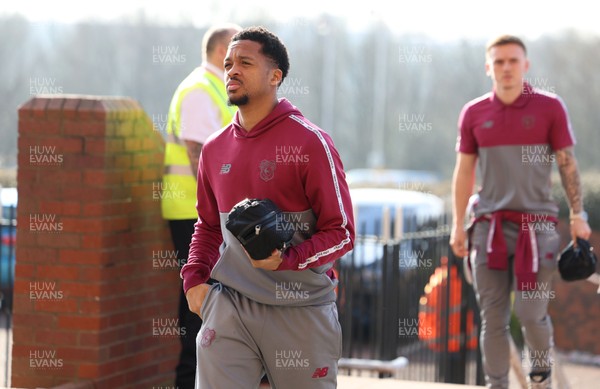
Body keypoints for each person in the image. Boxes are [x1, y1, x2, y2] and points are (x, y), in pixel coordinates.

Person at [181, 26, 355, 389]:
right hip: (230, 306)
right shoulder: (214, 149)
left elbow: (342, 233)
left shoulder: (310, 142)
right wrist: (195, 281)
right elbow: (208, 225)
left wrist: (287, 259)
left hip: (300, 308)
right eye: (228, 63)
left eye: (245, 62)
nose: (232, 70)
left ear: (275, 76)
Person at [450, 35, 591, 389]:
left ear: (526, 65)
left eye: (513, 61)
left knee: (531, 313)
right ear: (488, 67)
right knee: (492, 318)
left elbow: (567, 164)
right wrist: (457, 226)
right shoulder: (474, 112)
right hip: (488, 228)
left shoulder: (550, 107)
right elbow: (464, 172)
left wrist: (578, 214)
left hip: (538, 226)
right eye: (498, 62)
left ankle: (540, 376)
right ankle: (497, 384)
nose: (506, 68)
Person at [160, 23, 241, 389]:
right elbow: (199, 155)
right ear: (222, 49)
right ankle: (187, 382)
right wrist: (224, 212)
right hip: (193, 213)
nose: (239, 63)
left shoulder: (212, 88)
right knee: (198, 302)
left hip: (204, 212)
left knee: (205, 299)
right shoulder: (198, 90)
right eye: (236, 52)